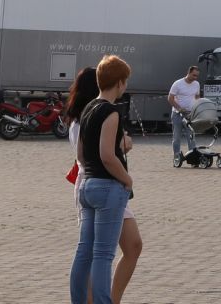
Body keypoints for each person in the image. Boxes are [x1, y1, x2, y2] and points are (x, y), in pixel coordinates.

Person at [66, 67, 143, 304]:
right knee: (101, 255)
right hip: (108, 184)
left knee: (92, 251)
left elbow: (82, 153)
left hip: (88, 183)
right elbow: (106, 155)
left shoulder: (87, 112)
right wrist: (127, 180)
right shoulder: (108, 112)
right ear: (119, 83)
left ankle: (93, 300)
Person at [168, 64, 201, 164]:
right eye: (194, 75)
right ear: (189, 73)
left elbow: (197, 98)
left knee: (191, 137)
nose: (195, 78)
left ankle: (193, 159)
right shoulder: (178, 83)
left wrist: (197, 108)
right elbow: (170, 98)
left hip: (190, 115)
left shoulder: (196, 84)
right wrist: (179, 108)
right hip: (177, 114)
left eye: (197, 76)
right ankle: (177, 157)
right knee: (177, 137)